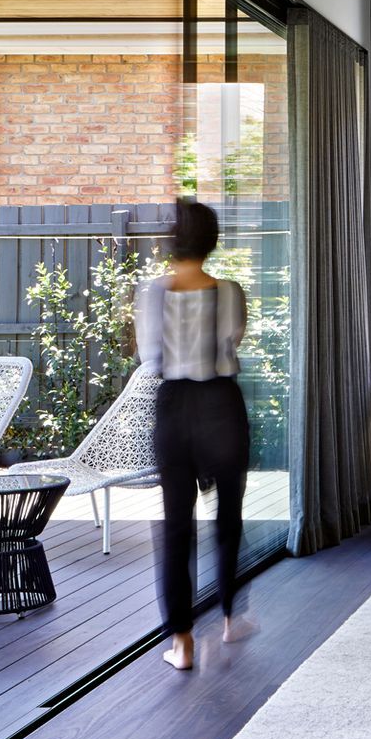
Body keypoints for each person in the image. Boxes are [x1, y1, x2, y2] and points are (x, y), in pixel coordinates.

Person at [135, 198, 254, 670]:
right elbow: (233, 340)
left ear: (171, 241)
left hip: (174, 406)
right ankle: (230, 618)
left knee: (176, 524)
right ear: (212, 241)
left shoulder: (153, 293)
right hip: (221, 404)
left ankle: (182, 643)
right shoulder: (229, 291)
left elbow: (149, 355)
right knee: (229, 517)